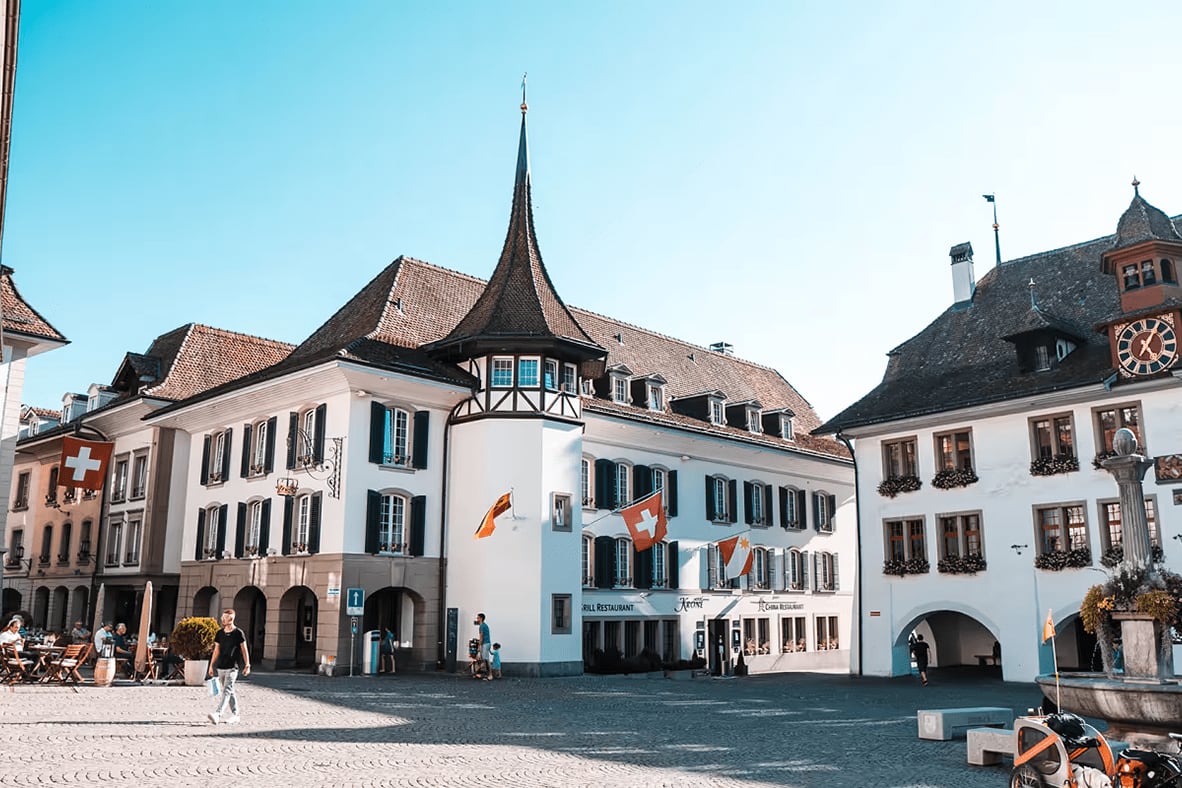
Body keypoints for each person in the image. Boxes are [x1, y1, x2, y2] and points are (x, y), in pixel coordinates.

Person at [207, 608, 251, 725]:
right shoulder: (219, 633)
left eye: (225, 617)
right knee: (229, 691)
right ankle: (236, 715)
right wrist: (211, 666)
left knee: (227, 690)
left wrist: (247, 664)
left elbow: (244, 649)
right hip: (221, 667)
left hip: (232, 667)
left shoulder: (238, 633)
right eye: (222, 617)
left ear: (230, 619)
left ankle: (217, 714)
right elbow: (216, 650)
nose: (222, 619)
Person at [474, 613, 491, 680]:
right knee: (483, 659)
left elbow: (481, 637)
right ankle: (484, 674)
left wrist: (479, 646)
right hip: (486, 643)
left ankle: (490, 675)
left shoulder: (482, 626)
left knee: (486, 659)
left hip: (485, 643)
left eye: (478, 618)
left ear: (481, 618)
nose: (477, 619)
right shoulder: (484, 625)